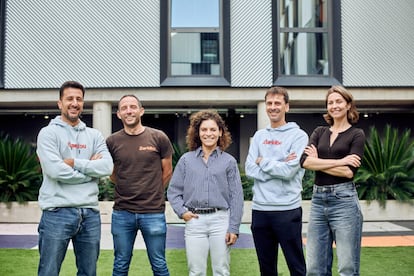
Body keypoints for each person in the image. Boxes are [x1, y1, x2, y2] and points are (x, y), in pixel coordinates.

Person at [36, 80, 114, 276]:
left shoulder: (94, 135)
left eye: (79, 99)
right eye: (69, 98)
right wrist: (90, 172)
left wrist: (75, 163)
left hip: (90, 214)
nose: (75, 103)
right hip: (57, 213)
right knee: (49, 272)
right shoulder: (48, 133)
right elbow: (55, 171)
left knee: (89, 272)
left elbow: (107, 166)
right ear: (59, 103)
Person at [167, 109, 244, 276]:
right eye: (204, 130)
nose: (208, 134)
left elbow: (237, 197)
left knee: (221, 270)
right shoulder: (186, 160)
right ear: (197, 133)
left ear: (220, 132)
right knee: (196, 271)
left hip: (220, 221)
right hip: (195, 221)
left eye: (213, 129)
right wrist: (183, 212)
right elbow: (173, 191)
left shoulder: (229, 161)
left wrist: (234, 227)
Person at [300, 86, 365, 276]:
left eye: (338, 101)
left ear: (348, 105)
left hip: (344, 201)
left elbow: (348, 172)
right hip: (318, 201)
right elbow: (304, 162)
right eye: (330, 102)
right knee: (314, 268)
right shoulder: (319, 132)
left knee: (347, 267)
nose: (334, 106)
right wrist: (340, 160)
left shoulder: (356, 134)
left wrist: (318, 161)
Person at [106, 95, 173, 276]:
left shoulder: (158, 137)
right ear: (119, 114)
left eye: (133, 107)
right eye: (124, 108)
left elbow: (167, 171)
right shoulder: (111, 142)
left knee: (159, 265)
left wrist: (151, 190)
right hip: (122, 213)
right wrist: (128, 184)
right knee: (120, 265)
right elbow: (112, 173)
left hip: (153, 212)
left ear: (141, 111)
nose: (129, 111)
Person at [245, 86, 308, 276]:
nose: (273, 107)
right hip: (260, 210)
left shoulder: (299, 136)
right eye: (269, 103)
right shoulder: (259, 136)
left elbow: (289, 171)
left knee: (296, 266)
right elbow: (249, 169)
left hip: (287, 209)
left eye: (277, 103)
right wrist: (277, 165)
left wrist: (263, 161)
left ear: (286, 107)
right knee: (266, 268)